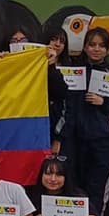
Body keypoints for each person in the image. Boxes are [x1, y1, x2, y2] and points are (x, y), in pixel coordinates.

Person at [61, 27, 109, 216]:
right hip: (74, 139)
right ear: (85, 46)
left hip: (103, 140)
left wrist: (104, 102)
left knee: (98, 187)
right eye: (92, 44)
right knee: (73, 184)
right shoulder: (71, 70)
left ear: (107, 49)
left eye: (101, 45)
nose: (96, 49)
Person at [44, 28, 71, 156]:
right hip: (36, 126)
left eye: (62, 41)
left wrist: (58, 138)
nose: (57, 44)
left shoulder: (72, 67)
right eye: (54, 39)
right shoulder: (33, 64)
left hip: (58, 130)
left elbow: (68, 102)